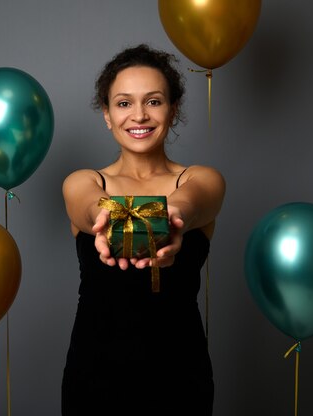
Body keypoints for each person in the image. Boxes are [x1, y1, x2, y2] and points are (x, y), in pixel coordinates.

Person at [61, 44, 226, 415]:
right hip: (94, 379)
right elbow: (88, 206)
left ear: (173, 109)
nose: (139, 115)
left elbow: (190, 201)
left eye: (153, 101)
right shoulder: (85, 181)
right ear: (106, 114)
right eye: (123, 103)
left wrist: (171, 219)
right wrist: (104, 222)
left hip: (180, 380)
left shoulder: (201, 178)